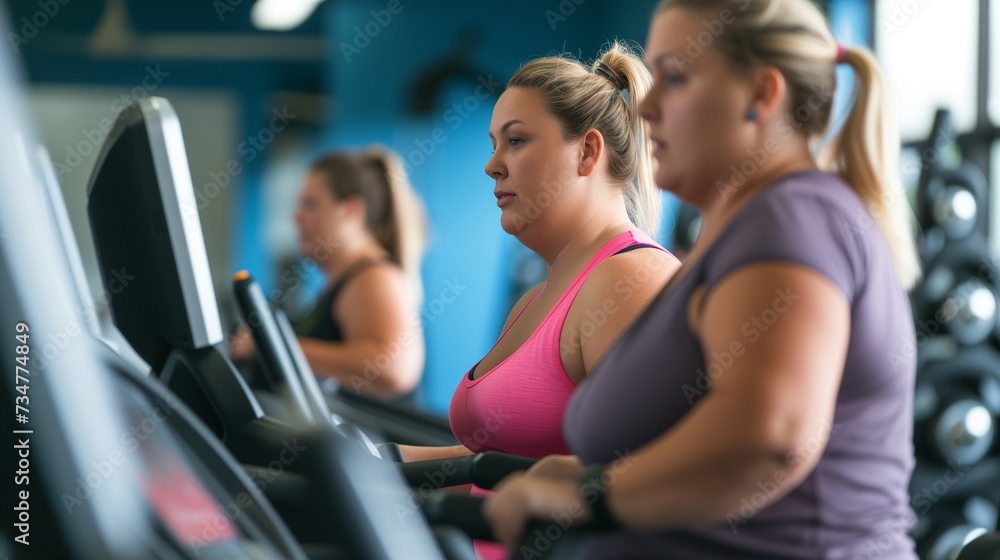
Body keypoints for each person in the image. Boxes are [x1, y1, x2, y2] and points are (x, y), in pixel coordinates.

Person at [483, 1, 922, 559]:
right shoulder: (746, 231)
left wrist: (591, 494)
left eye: (676, 78)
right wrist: (576, 475)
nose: (648, 107)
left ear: (761, 96)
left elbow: (773, 438)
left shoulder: (790, 216)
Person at [400, 41, 681, 560]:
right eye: (493, 144)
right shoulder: (535, 301)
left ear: (588, 153)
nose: (492, 165)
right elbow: (501, 468)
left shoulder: (632, 280)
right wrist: (380, 459)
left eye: (517, 141)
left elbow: (656, 480)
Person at [230, 146, 428, 400]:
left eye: (310, 204)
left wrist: (269, 344)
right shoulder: (347, 282)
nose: (296, 216)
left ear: (351, 210)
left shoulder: (373, 277)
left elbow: (393, 369)